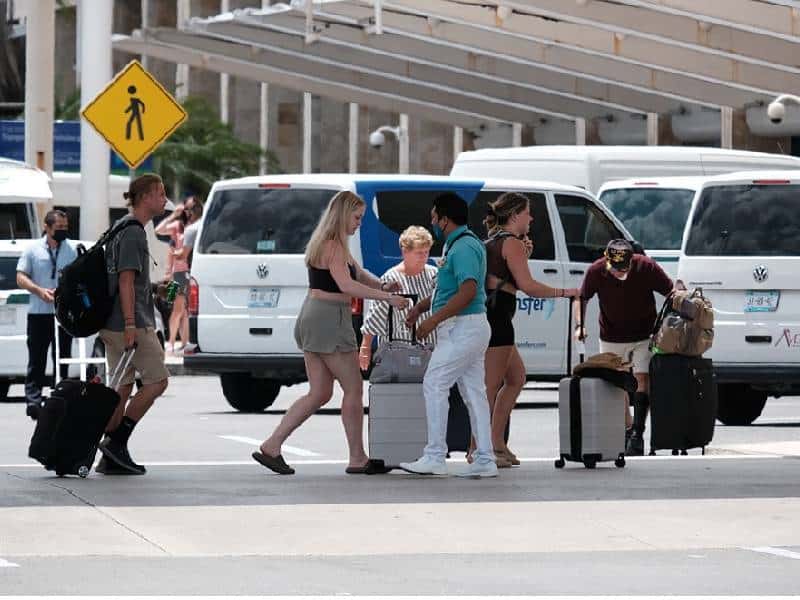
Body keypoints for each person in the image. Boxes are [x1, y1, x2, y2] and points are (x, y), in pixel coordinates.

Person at [253, 191, 410, 475]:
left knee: (320, 392)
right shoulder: (334, 247)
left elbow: (358, 275)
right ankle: (357, 457)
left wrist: (383, 285)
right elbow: (347, 286)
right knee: (353, 388)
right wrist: (385, 298)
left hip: (314, 315)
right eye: (357, 217)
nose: (360, 222)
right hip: (329, 320)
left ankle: (272, 445)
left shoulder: (328, 244)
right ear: (342, 215)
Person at [400, 193, 497, 478]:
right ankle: (485, 459)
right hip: (469, 326)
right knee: (474, 394)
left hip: (461, 327)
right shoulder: (459, 245)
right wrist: (420, 307)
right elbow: (449, 289)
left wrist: (432, 320)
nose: (432, 222)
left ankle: (435, 456)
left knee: (434, 383)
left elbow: (467, 291)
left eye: (434, 217)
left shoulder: (463, 247)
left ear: (445, 218)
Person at [481, 192, 579, 467]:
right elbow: (528, 285)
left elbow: (510, 275)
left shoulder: (495, 241)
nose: (531, 218)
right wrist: (565, 291)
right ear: (514, 216)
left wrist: (525, 255)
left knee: (516, 378)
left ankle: (496, 443)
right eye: (527, 213)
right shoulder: (510, 243)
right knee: (490, 386)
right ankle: (479, 448)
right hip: (497, 316)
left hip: (496, 314)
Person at [574, 238, 680, 456]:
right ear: (607, 260)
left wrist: (682, 300)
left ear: (632, 261)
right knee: (617, 382)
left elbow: (671, 291)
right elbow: (581, 297)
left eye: (624, 269)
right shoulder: (596, 271)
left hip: (644, 333)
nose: (619, 274)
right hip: (612, 333)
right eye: (615, 269)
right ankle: (626, 429)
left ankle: (638, 435)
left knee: (642, 378)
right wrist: (579, 325)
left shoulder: (646, 266)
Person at [95, 174, 171, 475]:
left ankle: (108, 455)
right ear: (145, 197)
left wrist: (158, 290)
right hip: (132, 323)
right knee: (158, 381)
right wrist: (130, 324)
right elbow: (125, 280)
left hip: (112, 323)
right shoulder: (133, 232)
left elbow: (132, 282)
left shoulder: (121, 228)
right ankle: (117, 442)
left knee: (122, 389)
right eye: (160, 193)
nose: (164, 199)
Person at [15, 209, 78, 420]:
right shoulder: (32, 250)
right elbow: (21, 277)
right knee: (37, 359)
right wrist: (39, 291)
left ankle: (59, 397)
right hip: (39, 314)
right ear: (47, 227)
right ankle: (33, 401)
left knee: (63, 357)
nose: (63, 231)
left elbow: (78, 278)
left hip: (63, 313)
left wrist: (64, 292)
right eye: (59, 227)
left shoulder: (71, 249)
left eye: (65, 227)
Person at [359, 225, 437, 371]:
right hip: (398, 354)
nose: (423, 257)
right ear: (405, 252)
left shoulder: (434, 275)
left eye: (426, 252)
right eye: (419, 253)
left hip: (431, 351)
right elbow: (375, 316)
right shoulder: (391, 278)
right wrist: (365, 347)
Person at [154, 200, 190, 354]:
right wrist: (173, 215)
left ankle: (182, 343)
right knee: (178, 309)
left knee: (183, 311)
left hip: (189, 274)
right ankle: (174, 343)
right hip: (178, 275)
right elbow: (158, 230)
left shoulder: (193, 228)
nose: (186, 213)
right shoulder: (177, 227)